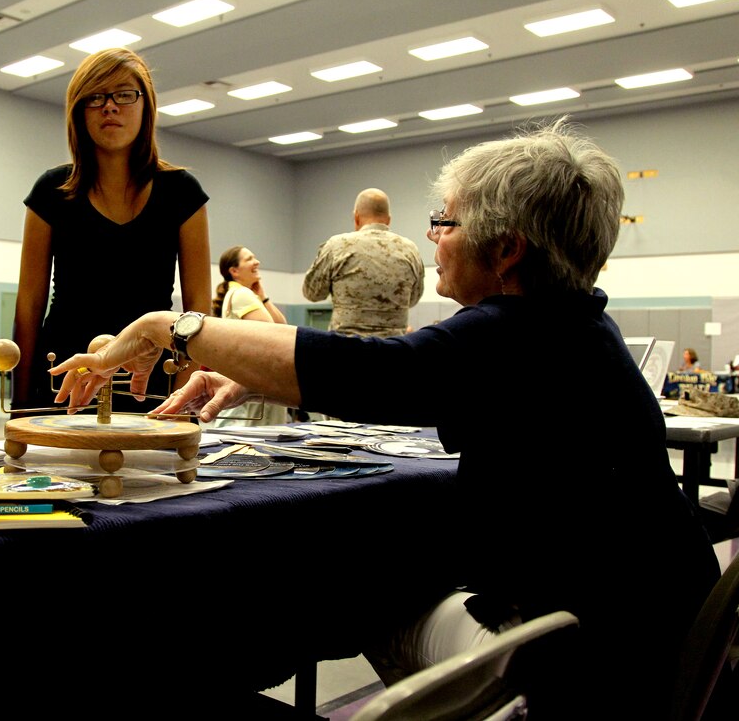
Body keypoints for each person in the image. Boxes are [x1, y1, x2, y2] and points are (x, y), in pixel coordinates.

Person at [48, 119, 720, 718]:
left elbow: (372, 371)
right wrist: (255, 367)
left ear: (507, 248)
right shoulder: (578, 327)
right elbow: (394, 371)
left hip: (591, 659)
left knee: (349, 592)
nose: (434, 239)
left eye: (446, 223)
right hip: (658, 632)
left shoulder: (509, 334)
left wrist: (175, 326)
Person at [13, 47, 210, 412]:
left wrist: (183, 401)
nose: (110, 106)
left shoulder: (182, 192)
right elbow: (28, 308)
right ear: (78, 109)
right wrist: (22, 403)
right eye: (96, 97)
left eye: (124, 94)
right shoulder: (50, 192)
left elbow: (198, 312)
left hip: (150, 375)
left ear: (145, 105)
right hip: (64, 374)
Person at [302, 187, 424, 337]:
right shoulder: (410, 250)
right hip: (393, 353)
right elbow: (413, 299)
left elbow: (312, 293)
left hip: (346, 351)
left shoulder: (338, 246)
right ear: (388, 220)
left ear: (356, 217)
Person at [210, 246, 289, 427]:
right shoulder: (241, 294)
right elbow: (277, 335)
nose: (257, 262)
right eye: (249, 259)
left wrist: (263, 297)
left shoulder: (239, 293)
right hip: (255, 381)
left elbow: (283, 326)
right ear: (234, 271)